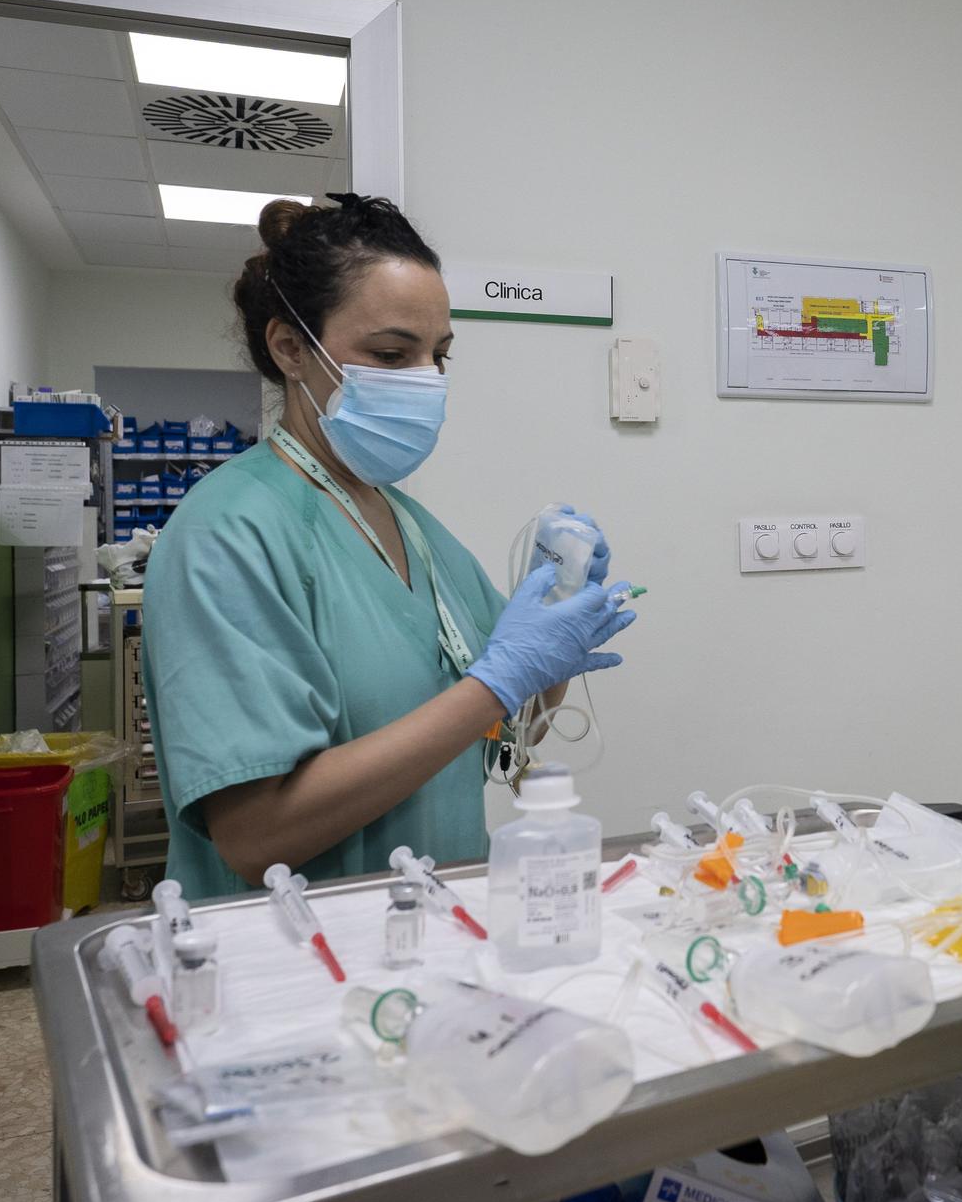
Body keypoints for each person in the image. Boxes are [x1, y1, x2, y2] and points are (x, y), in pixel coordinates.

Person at [143, 194, 635, 901]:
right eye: (391, 353)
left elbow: (501, 735)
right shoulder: (229, 532)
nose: (427, 380)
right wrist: (500, 678)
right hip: (297, 950)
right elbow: (256, 837)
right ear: (290, 348)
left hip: (428, 926)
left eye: (439, 355)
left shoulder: (408, 526)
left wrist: (555, 621)